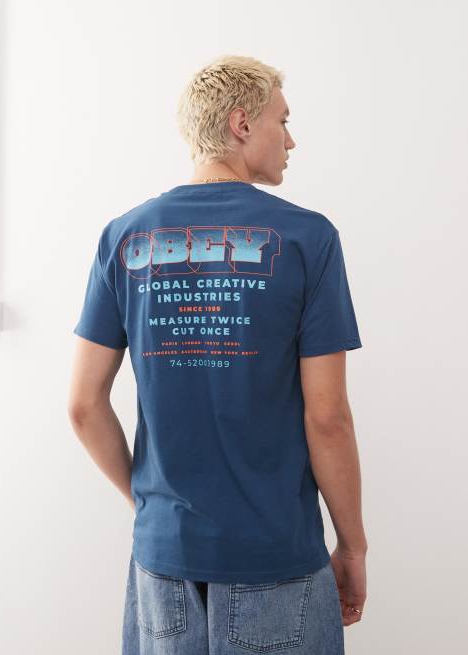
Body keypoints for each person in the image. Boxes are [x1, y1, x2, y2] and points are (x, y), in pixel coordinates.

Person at [68, 54, 368, 654]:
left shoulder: (124, 236)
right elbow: (327, 416)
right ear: (242, 124)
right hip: (275, 555)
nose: (291, 140)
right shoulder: (307, 238)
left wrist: (152, 507)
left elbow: (82, 405)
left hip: (164, 558)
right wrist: (353, 547)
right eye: (283, 121)